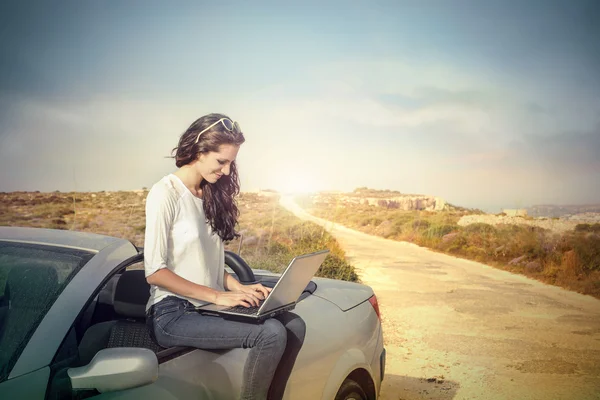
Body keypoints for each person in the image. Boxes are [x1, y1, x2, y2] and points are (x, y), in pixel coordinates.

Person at [143, 113, 306, 400]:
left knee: (294, 325)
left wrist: (238, 288)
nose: (227, 171)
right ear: (198, 150)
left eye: (231, 163)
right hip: (172, 312)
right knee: (270, 334)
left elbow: (207, 264)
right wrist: (218, 297)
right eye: (221, 162)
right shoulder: (164, 193)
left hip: (205, 305)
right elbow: (155, 272)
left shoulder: (209, 194)